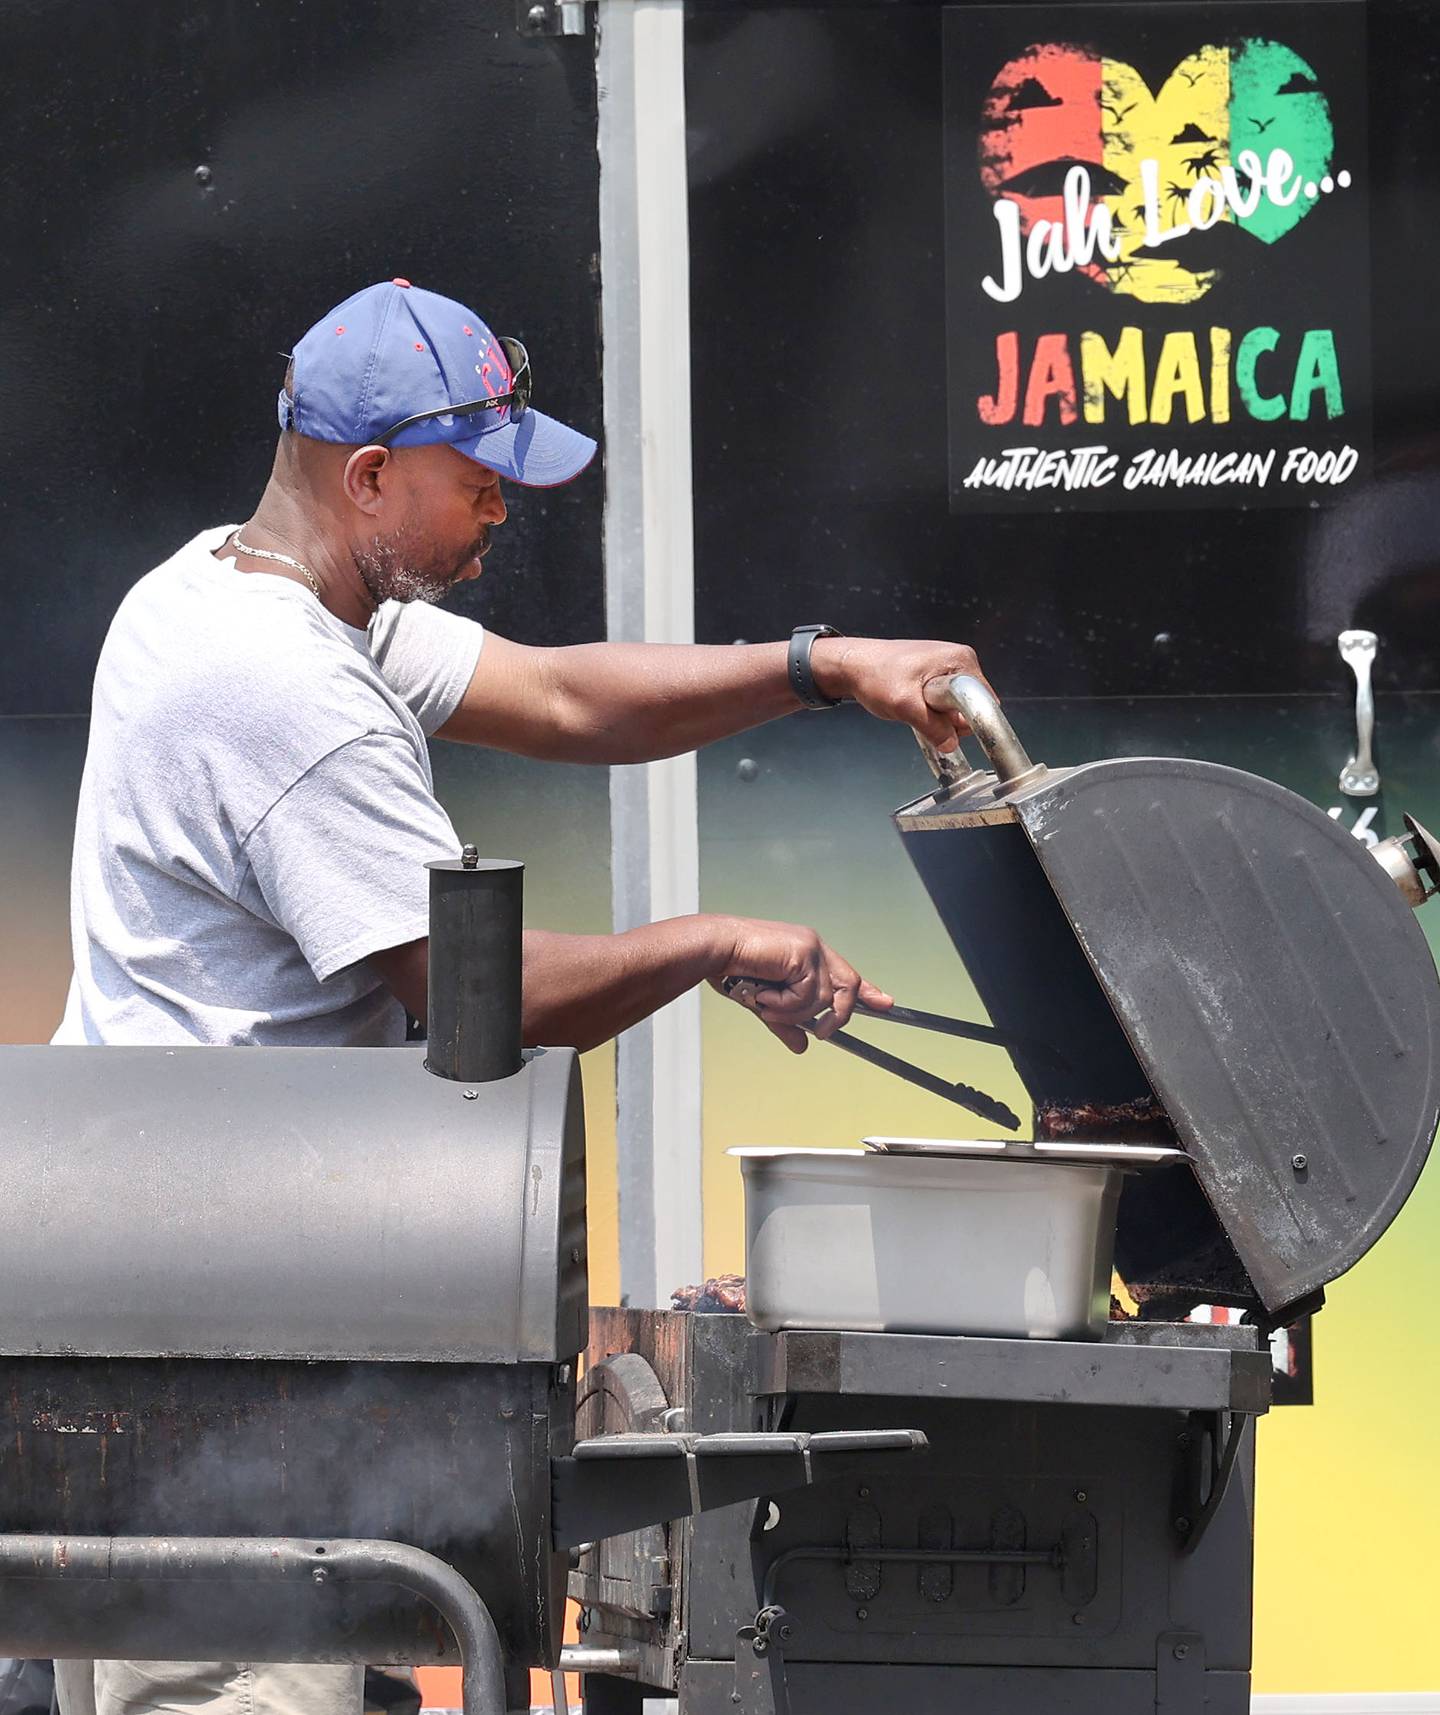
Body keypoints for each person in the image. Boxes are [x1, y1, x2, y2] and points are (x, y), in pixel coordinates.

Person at [52, 278, 987, 1715]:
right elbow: (475, 988)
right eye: (477, 484)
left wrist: (822, 668)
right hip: (201, 1328)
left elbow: (562, 699)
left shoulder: (245, 587)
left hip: (206, 1276)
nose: (502, 513)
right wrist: (709, 943)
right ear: (369, 476)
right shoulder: (275, 687)